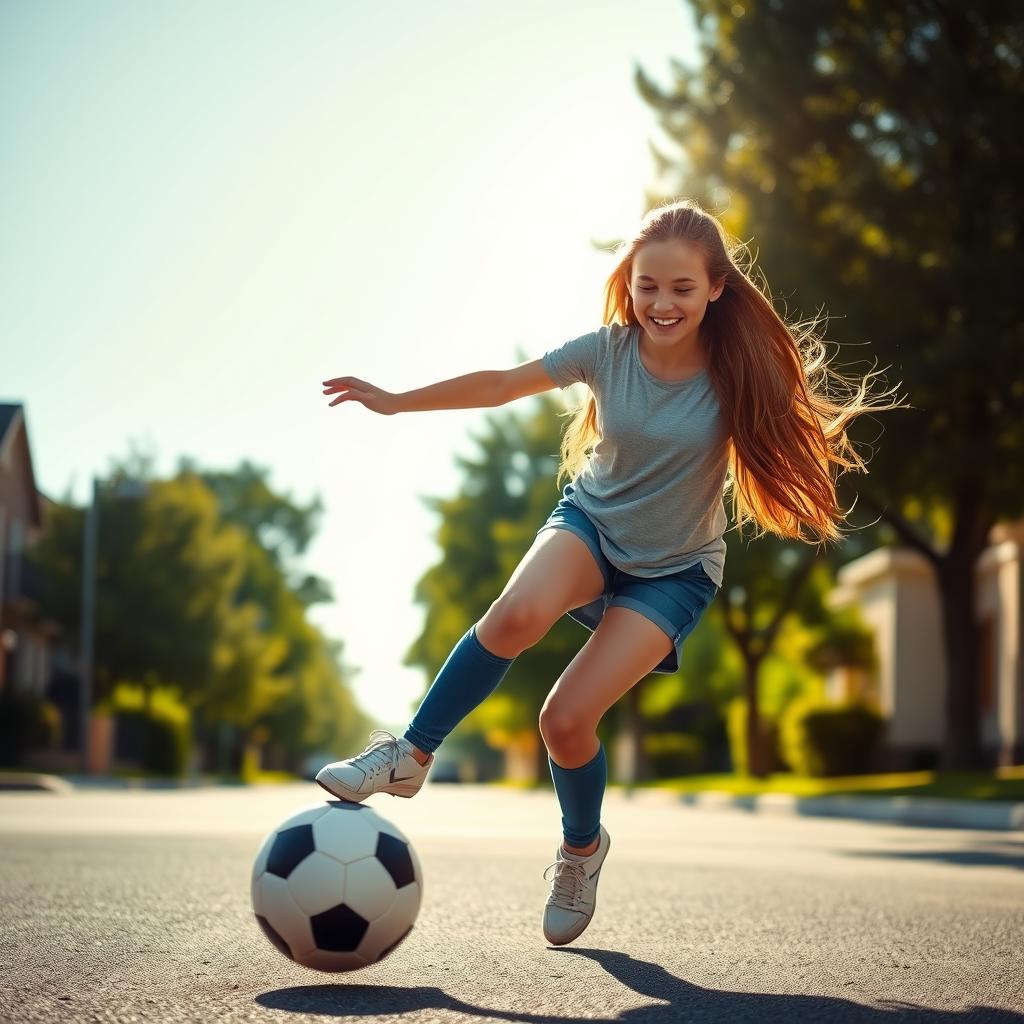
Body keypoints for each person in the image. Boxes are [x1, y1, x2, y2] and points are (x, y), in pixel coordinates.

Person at [315, 198, 906, 947]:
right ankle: (409, 754)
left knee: (564, 722)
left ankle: (581, 851)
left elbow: (788, 430)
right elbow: (502, 383)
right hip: (592, 524)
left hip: (675, 570)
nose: (661, 303)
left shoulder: (736, 372)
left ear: (716, 288)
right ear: (629, 283)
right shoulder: (606, 351)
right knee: (514, 617)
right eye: (647, 285)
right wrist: (397, 403)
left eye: (682, 289)